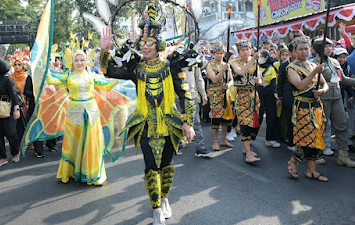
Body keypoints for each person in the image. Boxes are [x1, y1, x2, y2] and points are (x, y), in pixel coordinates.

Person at [99, 3, 195, 224]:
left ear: (158, 44)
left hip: (170, 123)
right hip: (145, 124)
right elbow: (108, 71)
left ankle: (164, 198)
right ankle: (156, 207)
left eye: (149, 43)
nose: (144, 47)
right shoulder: (136, 69)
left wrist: (187, 122)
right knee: (151, 165)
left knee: (167, 165)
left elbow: (186, 95)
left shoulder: (172, 66)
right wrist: (104, 50)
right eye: (142, 43)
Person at [46, 50, 119, 185]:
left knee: (92, 142)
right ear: (72, 62)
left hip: (92, 112)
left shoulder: (92, 76)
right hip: (74, 113)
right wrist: (43, 66)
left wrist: (120, 75)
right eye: (77, 60)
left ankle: (92, 172)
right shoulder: (67, 76)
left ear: (87, 61)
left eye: (82, 60)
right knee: (74, 142)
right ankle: (72, 171)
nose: (80, 63)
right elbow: (50, 79)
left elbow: (107, 86)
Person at [286, 36, 329, 181]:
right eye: (301, 49)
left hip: (316, 106)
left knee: (316, 138)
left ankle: (311, 170)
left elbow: (325, 84)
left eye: (306, 49)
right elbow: (300, 85)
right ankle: (293, 161)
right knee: (305, 139)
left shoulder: (313, 65)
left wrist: (322, 91)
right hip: (302, 106)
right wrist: (314, 72)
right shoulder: (292, 67)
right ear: (294, 51)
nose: (304, 52)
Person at [311, 38, 355, 167]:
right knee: (321, 126)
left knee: (341, 126)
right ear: (319, 49)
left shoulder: (335, 62)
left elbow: (343, 79)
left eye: (331, 46)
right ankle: (316, 154)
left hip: (337, 97)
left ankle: (343, 156)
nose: (330, 49)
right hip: (322, 97)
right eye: (326, 47)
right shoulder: (314, 63)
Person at [231, 40, 262, 163]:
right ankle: (248, 153)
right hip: (242, 96)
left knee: (255, 122)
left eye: (247, 49)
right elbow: (241, 72)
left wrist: (258, 80)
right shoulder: (234, 62)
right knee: (244, 123)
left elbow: (260, 81)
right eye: (243, 50)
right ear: (238, 52)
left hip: (254, 96)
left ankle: (247, 148)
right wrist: (253, 59)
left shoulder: (255, 63)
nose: (246, 52)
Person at [206, 44, 234, 150]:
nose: (219, 55)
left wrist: (228, 85)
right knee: (216, 118)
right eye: (217, 53)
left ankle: (223, 139)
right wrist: (223, 70)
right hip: (215, 94)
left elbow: (231, 79)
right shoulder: (210, 66)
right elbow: (214, 79)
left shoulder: (226, 65)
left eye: (221, 53)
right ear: (213, 54)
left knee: (225, 118)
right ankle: (215, 141)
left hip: (225, 93)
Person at [257, 49, 281, 148]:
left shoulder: (271, 68)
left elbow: (273, 82)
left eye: (262, 57)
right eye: (259, 57)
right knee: (257, 116)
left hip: (270, 94)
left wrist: (276, 94)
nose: (260, 59)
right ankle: (250, 137)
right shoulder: (255, 67)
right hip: (258, 94)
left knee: (271, 117)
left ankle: (270, 139)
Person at [277, 43, 296, 151]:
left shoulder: (305, 64)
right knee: (290, 120)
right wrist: (280, 97)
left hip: (300, 96)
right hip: (288, 96)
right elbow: (280, 83)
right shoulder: (284, 65)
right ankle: (291, 142)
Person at [10, 57, 28, 147]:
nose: (17, 66)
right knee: (19, 126)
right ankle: (20, 144)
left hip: (26, 102)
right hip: (16, 102)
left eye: (19, 64)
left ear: (23, 66)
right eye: (15, 65)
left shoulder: (26, 76)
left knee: (27, 123)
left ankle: (28, 143)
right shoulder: (11, 77)